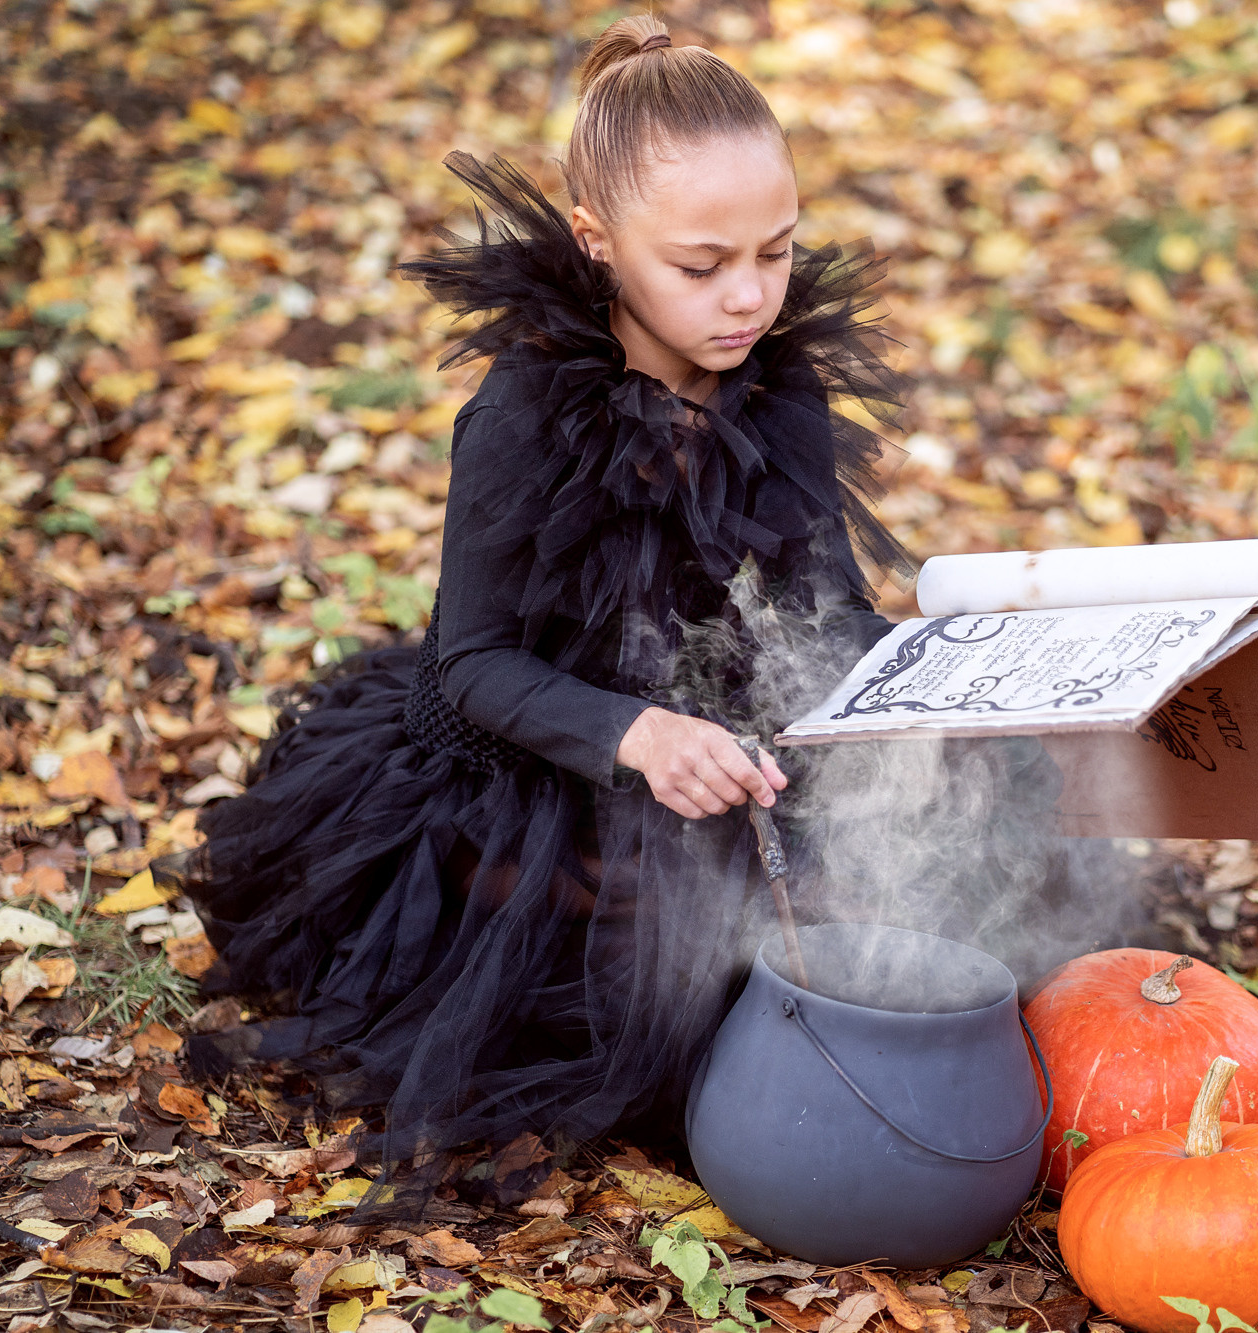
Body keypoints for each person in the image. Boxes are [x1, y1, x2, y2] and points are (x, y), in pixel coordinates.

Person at [170, 15, 918, 1185]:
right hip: (533, 757)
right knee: (649, 1006)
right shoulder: (522, 414)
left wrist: (923, 682)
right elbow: (467, 670)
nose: (749, 297)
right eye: (701, 264)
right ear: (598, 242)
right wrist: (637, 734)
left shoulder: (777, 383)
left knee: (892, 928)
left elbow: (824, 606)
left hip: (712, 735)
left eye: (775, 251)